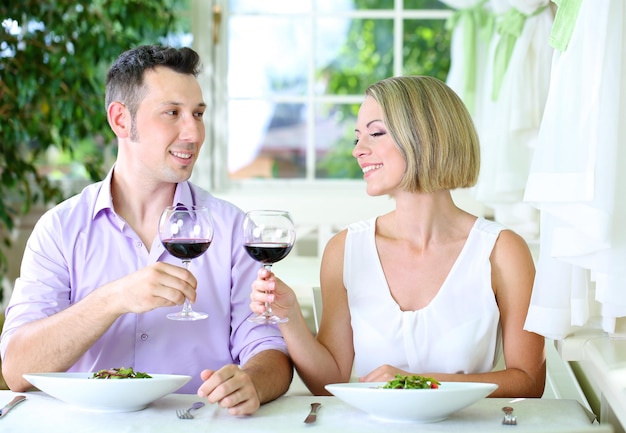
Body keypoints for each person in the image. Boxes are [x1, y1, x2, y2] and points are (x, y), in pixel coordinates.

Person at [0, 45, 292, 416]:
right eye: (172, 113)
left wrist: (251, 381)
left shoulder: (233, 228)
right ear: (121, 120)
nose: (194, 133)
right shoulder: (60, 229)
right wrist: (113, 299)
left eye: (198, 114)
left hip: (198, 424)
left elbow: (270, 350)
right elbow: (17, 370)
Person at [250, 75, 546, 397]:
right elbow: (328, 382)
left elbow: (529, 381)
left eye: (376, 133)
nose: (358, 151)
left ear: (425, 137)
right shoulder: (345, 250)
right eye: (357, 138)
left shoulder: (502, 251)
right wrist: (290, 316)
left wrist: (418, 384)